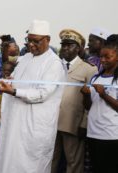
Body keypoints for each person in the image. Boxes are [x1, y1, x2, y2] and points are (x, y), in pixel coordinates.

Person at [0, 20, 66, 173]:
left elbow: (42, 93)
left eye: (36, 41)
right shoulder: (26, 58)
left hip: (34, 127)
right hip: (14, 123)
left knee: (29, 165)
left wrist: (14, 91)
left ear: (48, 40)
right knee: (9, 160)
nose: (31, 45)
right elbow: (14, 78)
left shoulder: (54, 63)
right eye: (29, 40)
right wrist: (9, 82)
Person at [51, 29, 98, 173]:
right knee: (50, 159)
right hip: (51, 121)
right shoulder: (55, 65)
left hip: (73, 123)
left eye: (69, 45)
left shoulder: (89, 69)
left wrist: (84, 123)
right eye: (63, 44)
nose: (65, 48)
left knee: (74, 162)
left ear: (78, 48)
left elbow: (91, 99)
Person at [81, 34, 118, 173]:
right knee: (96, 168)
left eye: (107, 57)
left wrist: (103, 94)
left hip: (111, 135)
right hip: (93, 132)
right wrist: (85, 96)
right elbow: (89, 107)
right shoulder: (96, 78)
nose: (103, 60)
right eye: (101, 57)